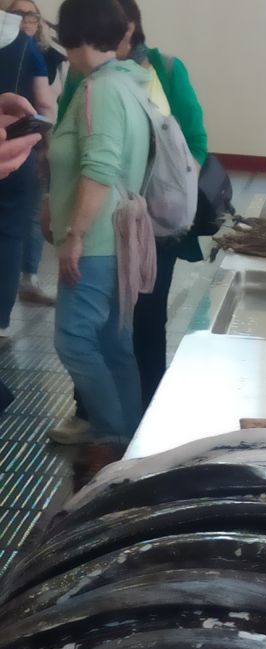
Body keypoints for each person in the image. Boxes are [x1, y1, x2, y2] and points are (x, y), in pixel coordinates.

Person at [48, 0, 151, 453]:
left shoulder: (99, 90)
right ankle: (129, 437)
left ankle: (111, 433)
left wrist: (75, 235)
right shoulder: (129, 82)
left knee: (74, 339)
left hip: (98, 239)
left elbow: (100, 167)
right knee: (113, 342)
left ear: (73, 33)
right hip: (119, 235)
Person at [116, 0, 207, 410]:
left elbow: (196, 139)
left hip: (158, 222)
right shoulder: (88, 73)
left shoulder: (165, 69)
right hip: (107, 216)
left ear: (130, 26)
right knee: (102, 317)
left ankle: (148, 405)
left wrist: (176, 192)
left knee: (149, 314)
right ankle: (91, 409)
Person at [0, 1, 52, 332]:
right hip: (18, 149)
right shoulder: (26, 48)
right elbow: (44, 103)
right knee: (10, 236)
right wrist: (45, 147)